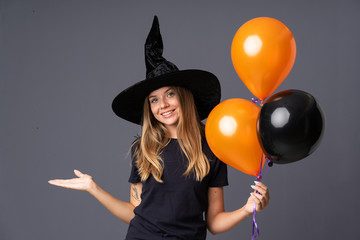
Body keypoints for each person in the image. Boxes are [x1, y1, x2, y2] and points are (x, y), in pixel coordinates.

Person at [48, 16, 270, 240]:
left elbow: (214, 222)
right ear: (149, 107)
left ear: (184, 97)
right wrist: (93, 188)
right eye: (154, 99)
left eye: (170, 94)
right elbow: (135, 213)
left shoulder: (212, 146)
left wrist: (247, 209)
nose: (162, 105)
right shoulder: (143, 147)